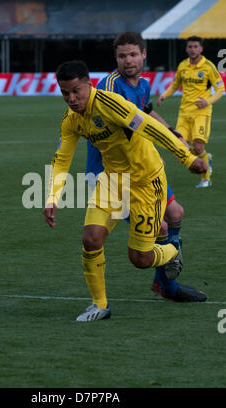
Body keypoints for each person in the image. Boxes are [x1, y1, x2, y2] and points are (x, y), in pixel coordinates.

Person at [43, 60, 206, 322]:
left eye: (76, 91)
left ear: (89, 84)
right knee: (90, 239)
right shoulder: (71, 119)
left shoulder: (110, 104)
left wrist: (186, 158)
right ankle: (100, 305)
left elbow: (151, 128)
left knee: (140, 259)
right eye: (65, 93)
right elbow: (62, 158)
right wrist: (52, 197)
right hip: (112, 181)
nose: (71, 99)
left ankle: (173, 250)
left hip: (146, 182)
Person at [87, 32, 206, 302]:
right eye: (121, 56)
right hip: (112, 175)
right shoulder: (110, 86)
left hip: (142, 169)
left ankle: (162, 282)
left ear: (144, 55)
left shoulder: (141, 83)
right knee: (161, 229)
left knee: (176, 212)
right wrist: (153, 150)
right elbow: (125, 129)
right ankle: (170, 286)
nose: (127, 61)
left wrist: (171, 131)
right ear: (115, 58)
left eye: (132, 54)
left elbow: (146, 113)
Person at [157, 36, 225, 188]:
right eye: (190, 46)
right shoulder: (183, 66)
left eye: (196, 46)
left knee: (198, 147)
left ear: (201, 48)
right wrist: (164, 95)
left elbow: (221, 89)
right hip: (184, 113)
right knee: (180, 150)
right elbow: (175, 85)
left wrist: (207, 102)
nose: (193, 49)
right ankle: (206, 157)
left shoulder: (208, 66)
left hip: (202, 113)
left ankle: (205, 178)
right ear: (187, 49)